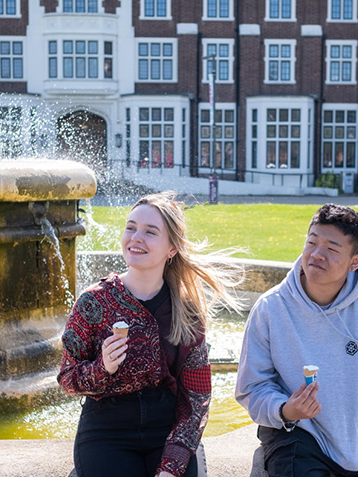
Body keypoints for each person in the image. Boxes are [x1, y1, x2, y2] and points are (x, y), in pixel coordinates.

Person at [58, 193, 243, 477]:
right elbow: (68, 379)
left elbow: (196, 398)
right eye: (131, 227)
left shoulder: (186, 311)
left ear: (172, 248)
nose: (136, 237)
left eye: (150, 232)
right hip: (107, 430)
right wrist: (102, 367)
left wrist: (172, 465)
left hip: (165, 428)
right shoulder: (93, 302)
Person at [236, 204, 358, 477]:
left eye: (332, 249)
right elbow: (251, 387)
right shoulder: (271, 308)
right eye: (311, 242)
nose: (316, 255)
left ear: (355, 261)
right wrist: (285, 410)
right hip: (297, 432)